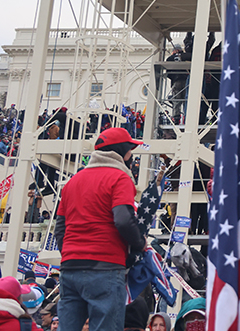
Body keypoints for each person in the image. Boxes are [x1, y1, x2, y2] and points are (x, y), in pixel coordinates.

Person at [55, 128, 145, 331]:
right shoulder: (120, 178)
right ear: (122, 152)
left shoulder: (73, 182)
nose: (131, 156)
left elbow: (60, 228)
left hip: (70, 268)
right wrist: (140, 243)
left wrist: (70, 253)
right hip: (105, 266)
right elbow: (123, 219)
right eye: (130, 150)